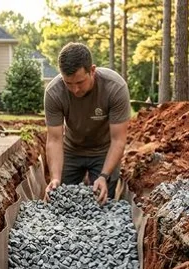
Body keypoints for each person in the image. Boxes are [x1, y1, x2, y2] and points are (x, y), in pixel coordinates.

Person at [43, 42, 131, 204]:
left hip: (104, 151)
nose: (75, 89)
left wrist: (104, 176)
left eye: (80, 82)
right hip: (71, 149)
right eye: (68, 83)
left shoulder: (115, 88)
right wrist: (55, 178)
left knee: (102, 201)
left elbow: (118, 139)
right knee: (62, 198)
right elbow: (54, 139)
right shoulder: (54, 92)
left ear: (92, 70)